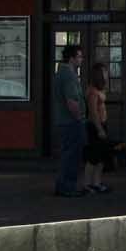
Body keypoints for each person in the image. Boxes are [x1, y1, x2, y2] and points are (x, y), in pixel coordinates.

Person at [52, 42, 87, 197]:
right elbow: (72, 101)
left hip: (63, 121)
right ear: (71, 58)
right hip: (71, 122)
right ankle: (68, 186)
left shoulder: (61, 73)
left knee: (67, 154)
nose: (82, 59)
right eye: (79, 56)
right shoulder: (69, 75)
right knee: (72, 155)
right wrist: (79, 117)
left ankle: (63, 185)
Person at [82, 62, 113, 194]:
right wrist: (99, 129)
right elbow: (93, 113)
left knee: (101, 157)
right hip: (95, 126)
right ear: (98, 75)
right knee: (93, 157)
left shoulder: (100, 89)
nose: (107, 74)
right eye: (104, 72)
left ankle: (97, 182)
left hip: (102, 124)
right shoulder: (92, 91)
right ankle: (87, 184)